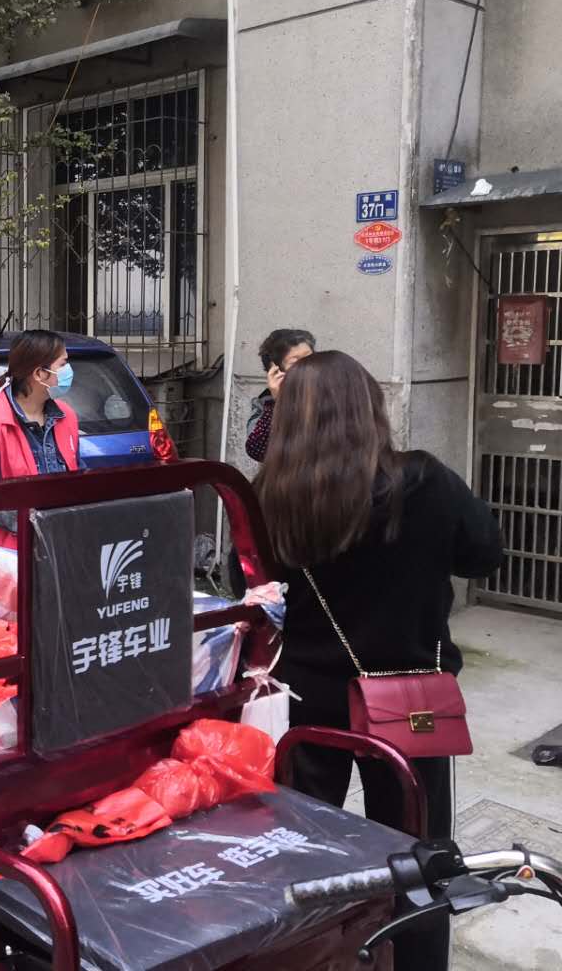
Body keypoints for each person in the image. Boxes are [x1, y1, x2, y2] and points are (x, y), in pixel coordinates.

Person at [254, 351, 502, 971]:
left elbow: (252, 583)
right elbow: (484, 553)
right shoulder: (425, 480)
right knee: (419, 852)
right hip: (411, 697)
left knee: (305, 849)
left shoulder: (271, 494)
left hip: (310, 697)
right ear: (371, 408)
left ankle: (315, 956)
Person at [0, 330, 81, 548]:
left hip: (62, 548)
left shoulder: (67, 417)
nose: (69, 370)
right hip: (11, 557)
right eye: (63, 364)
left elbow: (78, 479)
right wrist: (35, 523)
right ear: (39, 374)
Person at [246, 328, 315, 462]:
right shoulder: (266, 404)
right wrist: (279, 402)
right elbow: (260, 452)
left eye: (310, 358)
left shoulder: (332, 392)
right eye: (296, 363)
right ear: (276, 371)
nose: (309, 366)